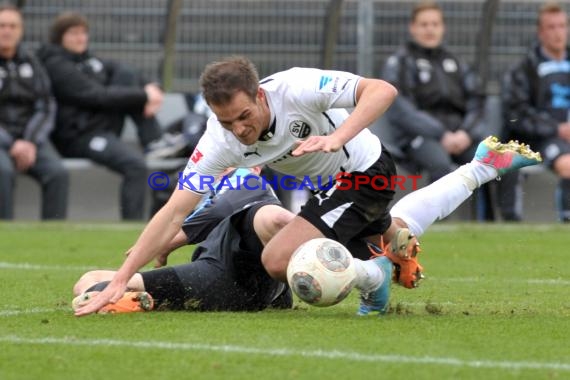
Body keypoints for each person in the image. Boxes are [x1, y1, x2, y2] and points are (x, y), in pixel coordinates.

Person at [74, 55, 541, 318]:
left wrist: (336, 136)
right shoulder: (218, 142)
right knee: (390, 232)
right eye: (226, 121)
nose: (239, 129)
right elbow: (174, 211)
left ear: (260, 95)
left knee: (279, 260)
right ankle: (482, 167)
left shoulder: (297, 87)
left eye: (244, 116)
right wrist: (119, 279)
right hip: (332, 190)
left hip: (365, 172)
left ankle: (373, 276)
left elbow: (382, 90)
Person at [73, 136, 542, 314]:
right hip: (242, 280)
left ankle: (377, 257)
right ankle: (375, 261)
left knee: (304, 225)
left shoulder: (237, 187)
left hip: (245, 282)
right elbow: (191, 222)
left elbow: (186, 224)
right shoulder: (245, 188)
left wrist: (132, 269)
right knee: (367, 226)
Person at [36, 11, 185, 220]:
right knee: (135, 166)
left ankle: (154, 142)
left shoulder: (89, 60)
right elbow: (95, 96)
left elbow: (123, 70)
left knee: (125, 74)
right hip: (77, 136)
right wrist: (143, 95)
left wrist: (153, 88)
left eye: (83, 32)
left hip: (100, 128)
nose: (81, 38)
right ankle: (133, 227)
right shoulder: (56, 65)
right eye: (73, 33)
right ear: (60, 37)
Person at [380, 1, 487, 184]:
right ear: (412, 28)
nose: (430, 30)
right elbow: (403, 110)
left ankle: (498, 214)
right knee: (441, 165)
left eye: (435, 24)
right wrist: (440, 134)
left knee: (493, 161)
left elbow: (477, 100)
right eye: (424, 25)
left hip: (459, 135)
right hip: (419, 136)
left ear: (442, 28)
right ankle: (439, 214)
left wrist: (466, 132)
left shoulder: (456, 62)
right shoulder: (401, 63)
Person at [501, 2, 570, 222]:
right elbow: (517, 113)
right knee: (568, 165)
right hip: (541, 139)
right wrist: (556, 128)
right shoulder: (525, 69)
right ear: (540, 32)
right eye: (551, 27)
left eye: (562, 26)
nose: (558, 33)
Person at [0, 4, 68, 220]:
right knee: (3, 173)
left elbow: (47, 105)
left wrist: (29, 140)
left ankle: (54, 237)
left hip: (30, 140)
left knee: (57, 173)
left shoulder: (32, 62)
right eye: (2, 25)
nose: (7, 31)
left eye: (13, 26)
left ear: (21, 30)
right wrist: (10, 143)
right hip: (2, 140)